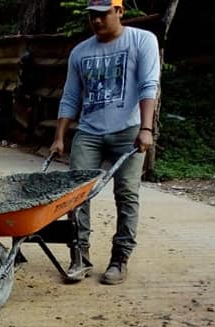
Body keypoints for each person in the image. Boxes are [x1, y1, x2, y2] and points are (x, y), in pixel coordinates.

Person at [50, 0, 160, 285]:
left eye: (103, 15)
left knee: (126, 194)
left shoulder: (142, 41)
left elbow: (149, 85)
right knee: (76, 194)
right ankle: (80, 256)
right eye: (92, 16)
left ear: (119, 12)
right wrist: (59, 137)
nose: (97, 21)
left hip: (129, 130)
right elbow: (71, 96)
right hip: (89, 131)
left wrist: (146, 128)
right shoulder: (81, 52)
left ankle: (119, 259)